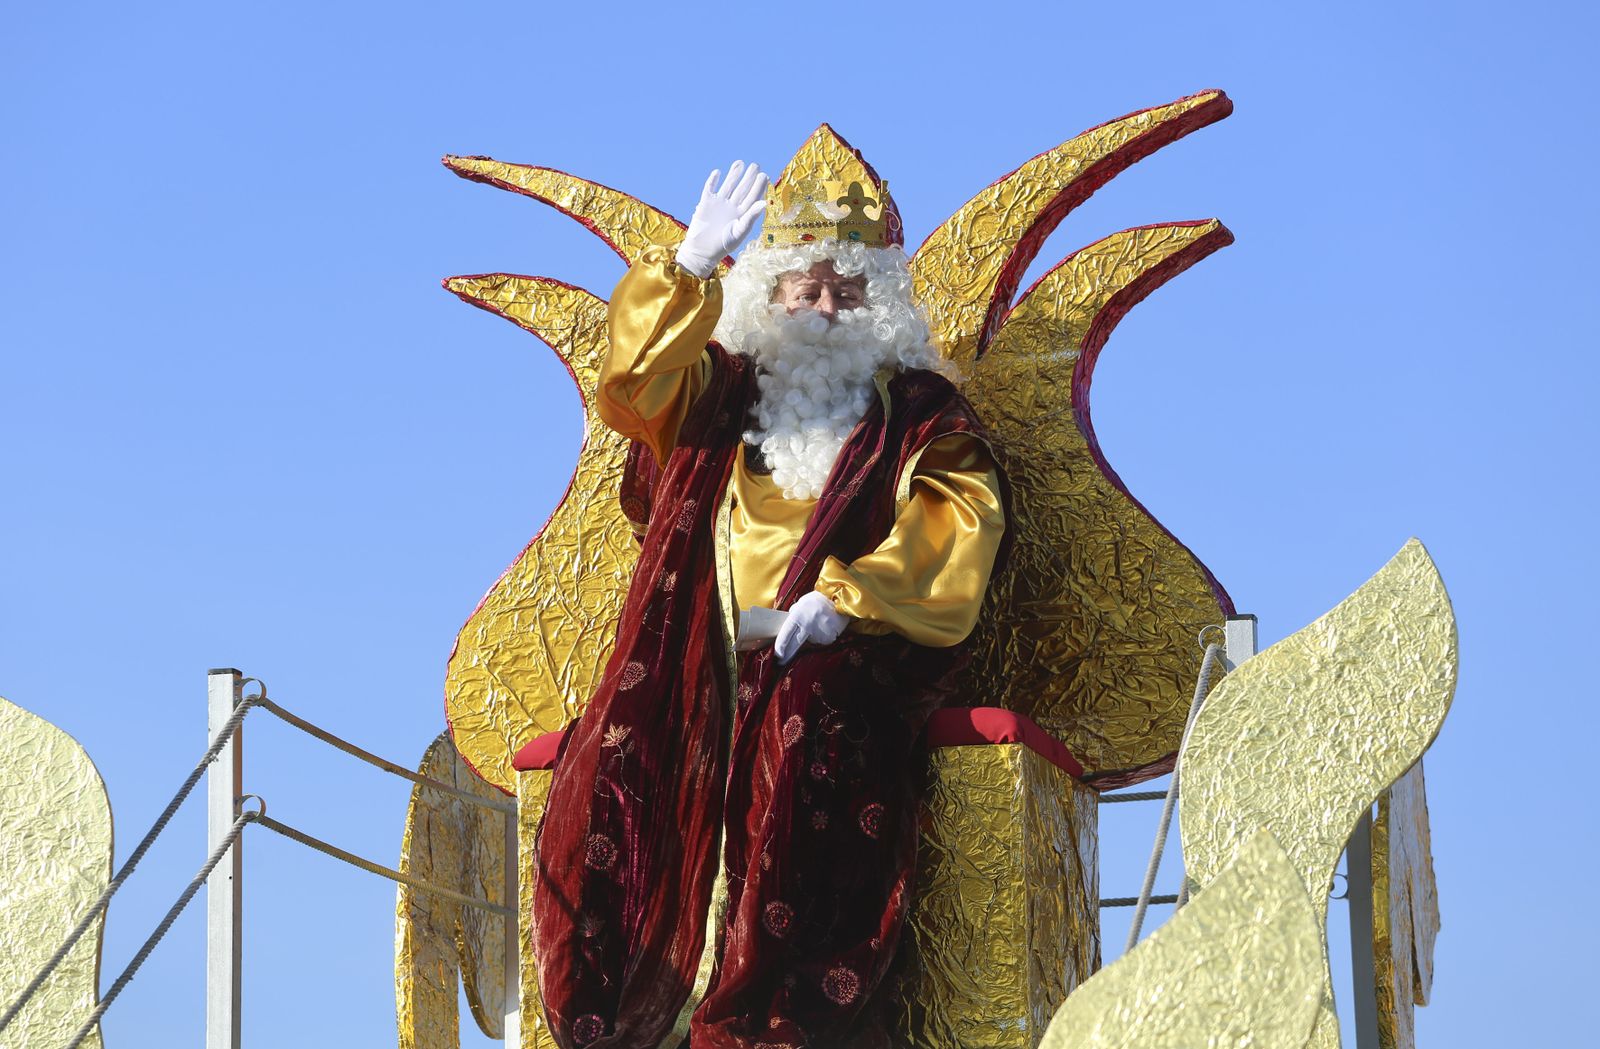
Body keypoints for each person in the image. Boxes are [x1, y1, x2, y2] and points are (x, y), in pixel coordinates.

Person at [531, 156, 1009, 1049]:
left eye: (844, 294)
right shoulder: (718, 396)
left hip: (843, 655)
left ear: (878, 310)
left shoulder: (918, 415)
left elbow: (958, 522)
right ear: (768, 296)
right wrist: (686, 263)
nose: (822, 313)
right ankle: (628, 1005)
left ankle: (763, 1016)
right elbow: (632, 392)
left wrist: (847, 599)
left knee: (803, 715)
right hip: (700, 653)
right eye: (803, 290)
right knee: (620, 744)